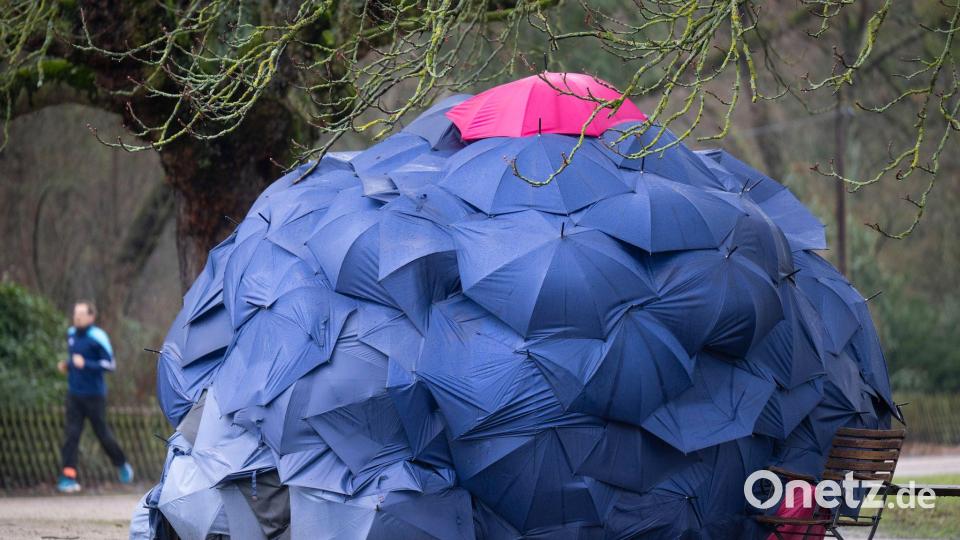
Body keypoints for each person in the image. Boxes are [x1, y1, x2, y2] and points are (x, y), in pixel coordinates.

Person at [56, 300, 134, 493]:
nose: (77, 317)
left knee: (102, 434)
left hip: (94, 396)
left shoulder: (98, 337)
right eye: (75, 314)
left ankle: (121, 463)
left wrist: (86, 364)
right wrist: (68, 365)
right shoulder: (71, 334)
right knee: (71, 435)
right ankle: (68, 478)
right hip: (74, 394)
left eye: (81, 314)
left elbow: (110, 365)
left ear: (91, 316)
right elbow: (76, 360)